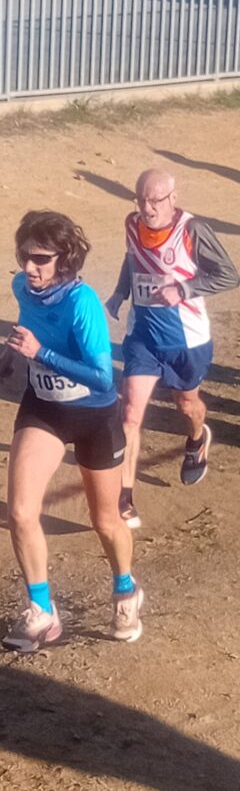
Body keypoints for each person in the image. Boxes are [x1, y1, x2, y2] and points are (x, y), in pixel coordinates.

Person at [0, 210, 143, 652]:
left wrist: (41, 353)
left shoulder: (83, 304)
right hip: (45, 408)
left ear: (65, 259)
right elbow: (29, 322)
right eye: (24, 256)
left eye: (40, 259)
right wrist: (12, 354)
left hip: (95, 416)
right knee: (21, 511)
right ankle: (42, 610)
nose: (29, 267)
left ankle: (125, 589)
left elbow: (102, 377)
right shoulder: (22, 287)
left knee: (105, 520)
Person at [106, 167, 239, 528]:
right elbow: (132, 258)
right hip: (143, 338)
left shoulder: (192, 230)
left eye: (155, 200)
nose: (147, 208)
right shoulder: (132, 224)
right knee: (129, 414)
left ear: (172, 199)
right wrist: (120, 292)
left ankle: (197, 438)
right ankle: (124, 497)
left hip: (187, 341)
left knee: (186, 405)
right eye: (141, 200)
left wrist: (182, 289)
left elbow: (228, 274)